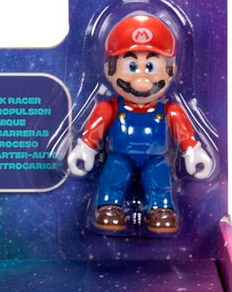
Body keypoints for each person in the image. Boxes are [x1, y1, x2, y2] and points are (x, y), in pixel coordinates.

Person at [67, 13, 213, 233]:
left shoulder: (170, 110)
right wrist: (85, 148)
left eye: (151, 66)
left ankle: (161, 209)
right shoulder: (110, 107)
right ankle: (109, 206)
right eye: (132, 66)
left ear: (171, 71)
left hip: (156, 158)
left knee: (160, 183)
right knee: (112, 180)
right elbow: (95, 129)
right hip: (119, 156)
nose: (141, 80)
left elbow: (183, 133)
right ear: (110, 69)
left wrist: (193, 151)